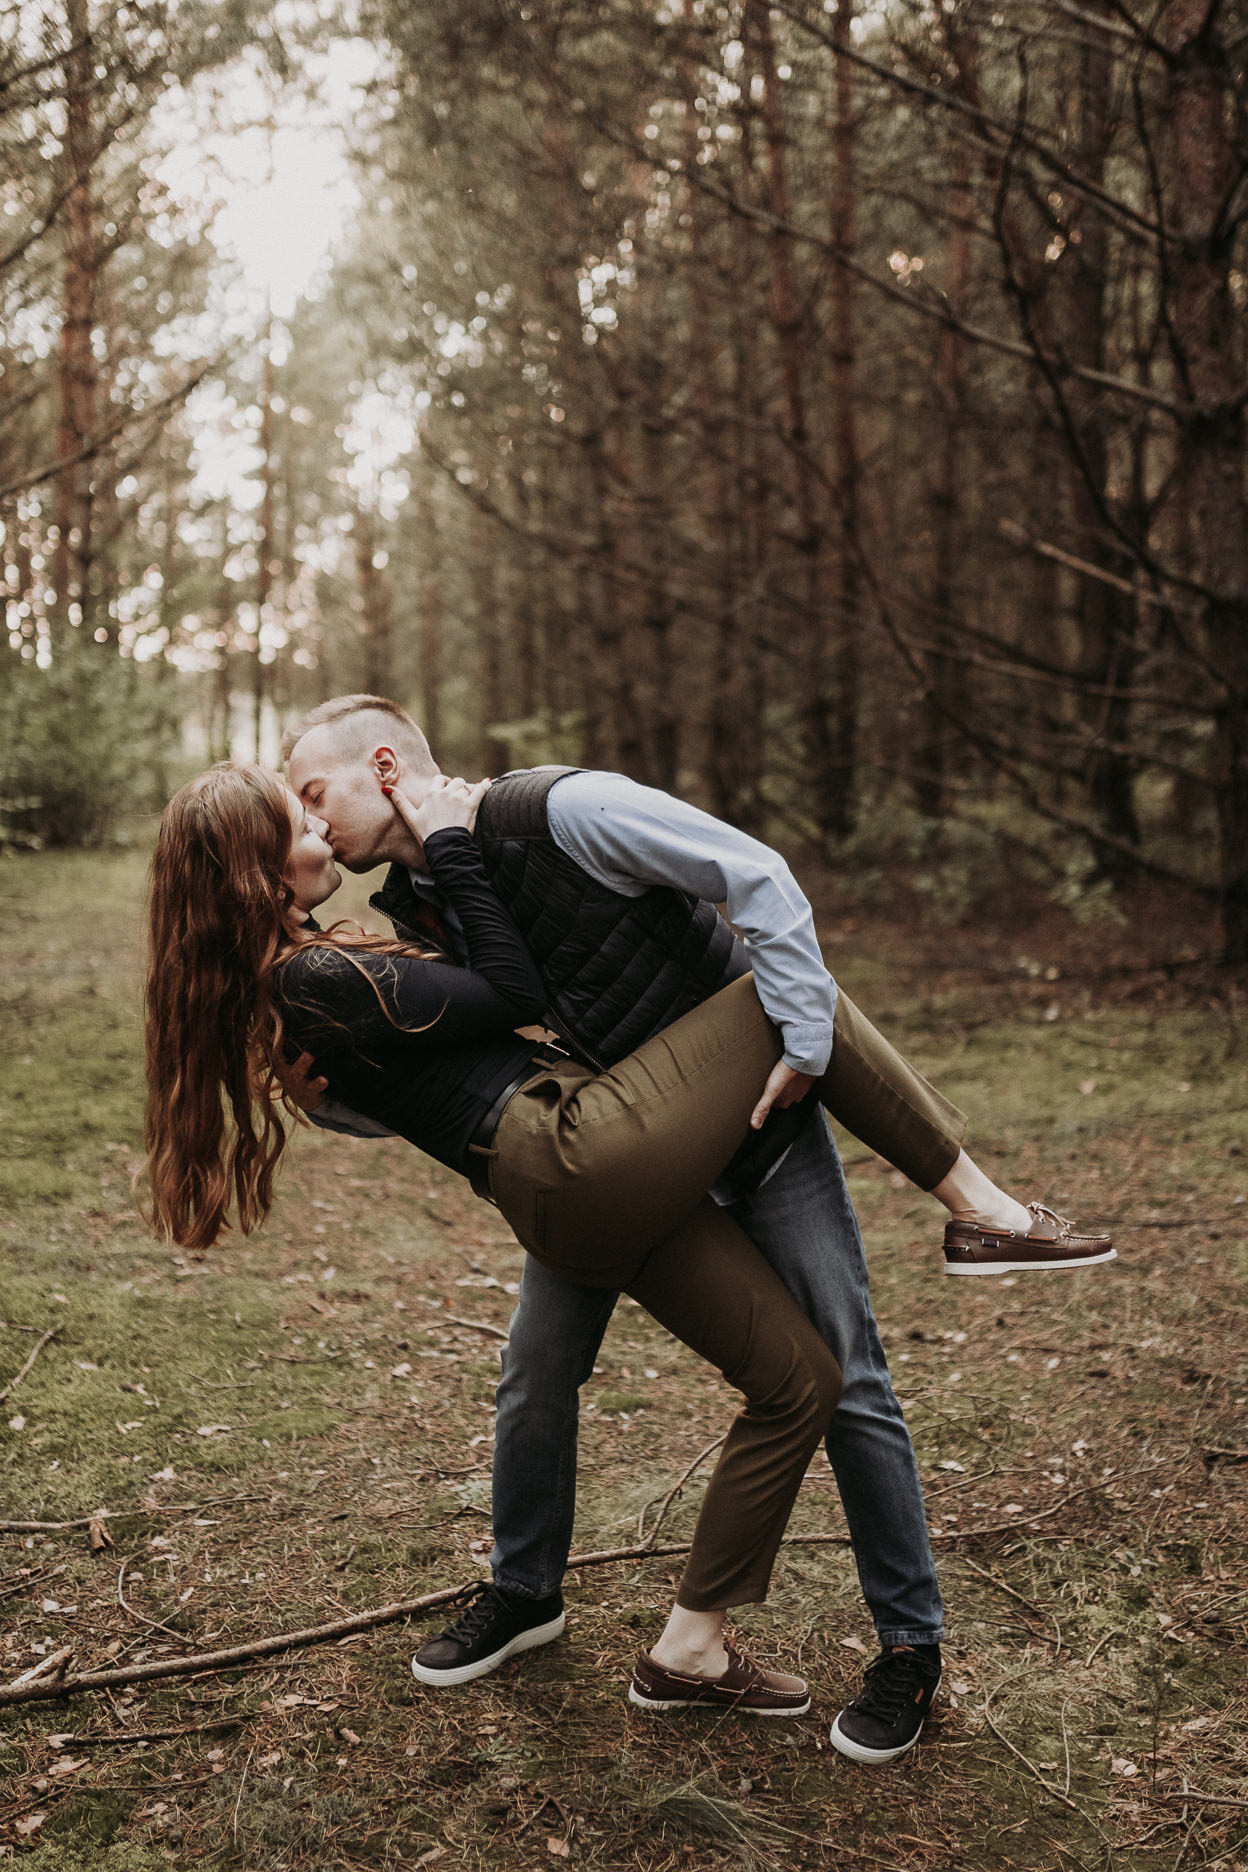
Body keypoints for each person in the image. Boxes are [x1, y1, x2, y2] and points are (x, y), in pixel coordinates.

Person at [281, 695, 1114, 1766]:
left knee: (847, 1377)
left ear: (384, 765)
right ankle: (525, 1592)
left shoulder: (562, 811)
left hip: (760, 1133)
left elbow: (756, 875)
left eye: (314, 795)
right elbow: (449, 1064)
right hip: (620, 1155)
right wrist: (329, 1101)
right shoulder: (419, 902)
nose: (314, 824)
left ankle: (909, 1646)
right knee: (536, 1371)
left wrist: (806, 1036)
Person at [145, 761, 857, 1717]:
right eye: (296, 823)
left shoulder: (307, 970)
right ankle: (973, 1194)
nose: (318, 835)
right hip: (570, 1155)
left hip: (573, 1170)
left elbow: (427, 1071)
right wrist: (448, 841)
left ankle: (687, 1644)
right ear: (253, 867)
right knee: (781, 987)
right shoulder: (311, 975)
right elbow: (513, 990)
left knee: (799, 1380)